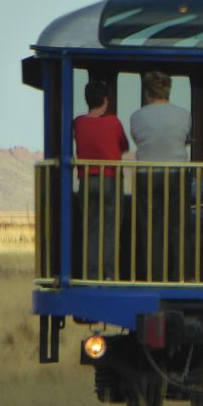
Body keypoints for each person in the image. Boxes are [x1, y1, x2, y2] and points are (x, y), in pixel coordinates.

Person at [130, 71, 192, 282]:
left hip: (147, 175)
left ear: (148, 92)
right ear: (169, 91)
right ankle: (179, 276)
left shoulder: (137, 116)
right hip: (176, 174)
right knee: (178, 226)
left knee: (150, 228)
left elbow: (138, 140)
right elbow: (185, 140)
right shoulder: (184, 114)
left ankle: (152, 275)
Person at [73, 79, 129, 280]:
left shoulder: (78, 122)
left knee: (91, 229)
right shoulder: (113, 122)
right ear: (106, 100)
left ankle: (91, 273)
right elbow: (124, 145)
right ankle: (109, 274)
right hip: (111, 179)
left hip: (87, 180)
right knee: (111, 229)